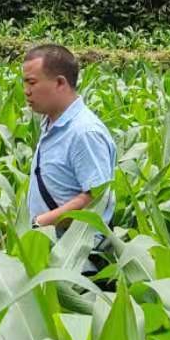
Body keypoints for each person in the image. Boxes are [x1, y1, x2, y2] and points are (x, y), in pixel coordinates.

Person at [21, 43, 118, 247]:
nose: (26, 91)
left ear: (60, 83)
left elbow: (96, 199)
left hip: (72, 255)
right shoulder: (51, 122)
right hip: (48, 246)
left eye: (32, 83)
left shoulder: (85, 132)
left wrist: (40, 223)